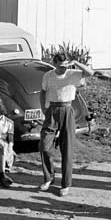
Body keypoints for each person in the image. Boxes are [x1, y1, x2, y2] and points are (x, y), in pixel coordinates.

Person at [38, 53, 94, 197]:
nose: (63, 69)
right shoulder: (48, 75)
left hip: (67, 109)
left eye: (65, 66)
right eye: (60, 66)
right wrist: (44, 108)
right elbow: (43, 92)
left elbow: (90, 73)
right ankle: (49, 178)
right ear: (55, 63)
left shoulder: (72, 74)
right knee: (44, 145)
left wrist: (76, 62)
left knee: (67, 148)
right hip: (52, 110)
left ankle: (65, 184)